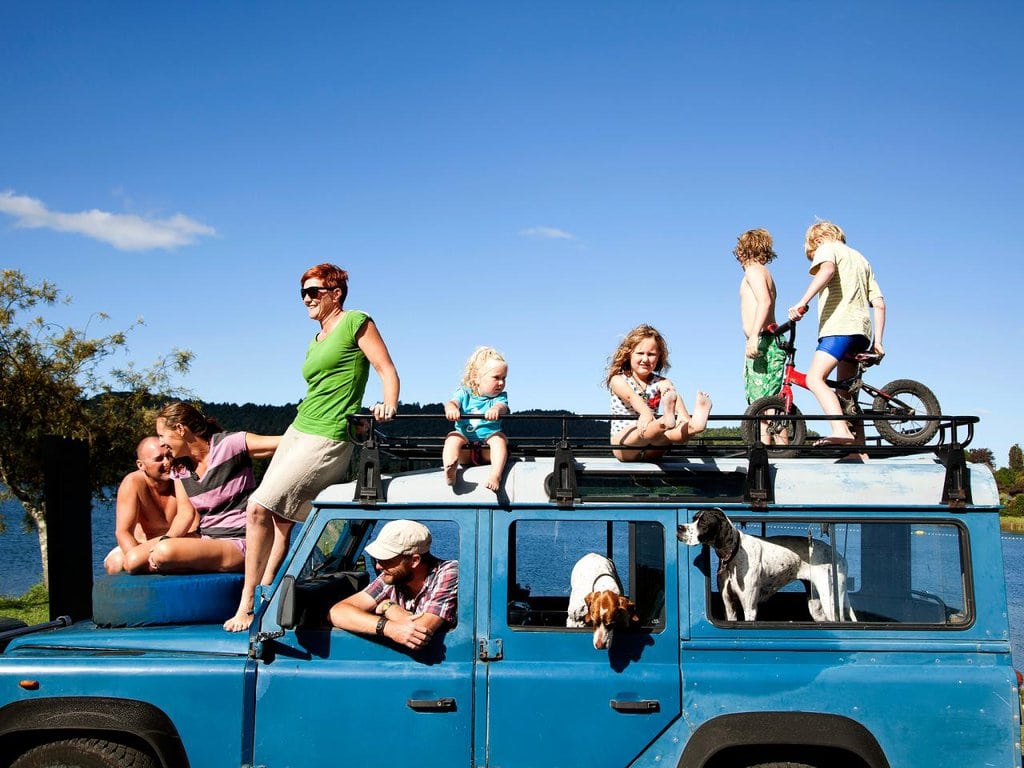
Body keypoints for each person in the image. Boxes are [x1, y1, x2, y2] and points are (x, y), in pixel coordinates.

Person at [224, 263, 401, 632]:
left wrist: (389, 403)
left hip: (330, 434)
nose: (307, 298)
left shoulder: (356, 321)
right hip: (298, 428)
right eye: (303, 292)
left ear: (335, 294)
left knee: (257, 508)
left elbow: (386, 368)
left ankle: (244, 604)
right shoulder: (316, 338)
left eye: (314, 291)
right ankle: (265, 596)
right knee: (280, 521)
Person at [141, 402, 280, 574]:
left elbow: (283, 443)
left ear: (180, 429)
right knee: (130, 560)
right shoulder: (180, 467)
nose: (161, 443)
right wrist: (167, 538)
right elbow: (185, 514)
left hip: (240, 541)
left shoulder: (230, 444)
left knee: (164, 553)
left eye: (162, 435)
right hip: (206, 537)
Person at [787, 220, 886, 445]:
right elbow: (879, 303)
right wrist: (878, 342)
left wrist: (802, 302)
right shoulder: (862, 260)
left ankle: (840, 430)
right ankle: (858, 449)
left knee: (814, 378)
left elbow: (828, 269)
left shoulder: (827, 247)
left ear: (818, 239)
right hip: (862, 333)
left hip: (839, 327)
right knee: (846, 395)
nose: (816, 258)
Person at [329, 519, 458, 652]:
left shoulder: (448, 572)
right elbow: (337, 612)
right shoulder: (391, 576)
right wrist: (389, 627)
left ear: (414, 560)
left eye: (386, 560)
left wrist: (387, 607)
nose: (379, 566)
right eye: (378, 560)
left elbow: (418, 632)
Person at [606, 324, 712, 461]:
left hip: (654, 442)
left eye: (651, 354)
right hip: (625, 441)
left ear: (659, 357)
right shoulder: (619, 379)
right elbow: (631, 397)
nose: (645, 359)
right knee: (642, 431)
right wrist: (646, 414)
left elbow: (673, 396)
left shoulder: (661, 382)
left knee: (667, 432)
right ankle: (664, 422)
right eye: (640, 353)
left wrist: (680, 412)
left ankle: (693, 426)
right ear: (628, 354)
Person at [735, 228, 787, 445]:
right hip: (766, 340)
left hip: (764, 341)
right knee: (768, 402)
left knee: (764, 403)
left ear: (743, 250)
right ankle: (779, 448)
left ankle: (769, 450)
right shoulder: (763, 272)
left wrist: (754, 335)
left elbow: (764, 302)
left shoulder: (754, 271)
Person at [103, 436, 179, 574]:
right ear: (141, 465)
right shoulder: (133, 483)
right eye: (159, 459)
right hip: (140, 546)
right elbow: (123, 532)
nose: (167, 463)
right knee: (115, 563)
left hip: (175, 543)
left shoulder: (182, 480)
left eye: (169, 456)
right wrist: (137, 560)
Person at [443, 346, 510, 491]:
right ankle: (450, 468)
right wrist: (451, 409)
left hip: (487, 443)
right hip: (465, 443)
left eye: (504, 378)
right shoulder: (464, 393)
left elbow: (502, 407)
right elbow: (452, 402)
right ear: (477, 378)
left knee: (499, 439)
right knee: (452, 438)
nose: (501, 383)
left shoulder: (500, 397)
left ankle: (496, 475)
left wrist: (496, 409)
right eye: (496, 377)